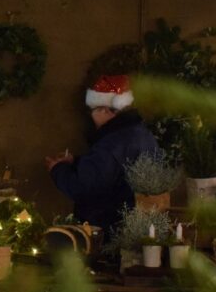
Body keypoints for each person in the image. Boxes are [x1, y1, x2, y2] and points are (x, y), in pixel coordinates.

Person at [46, 75, 158, 237]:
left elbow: (84, 187)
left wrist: (58, 169)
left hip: (109, 231)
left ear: (104, 110)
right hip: (136, 227)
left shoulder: (111, 143)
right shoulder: (142, 134)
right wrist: (77, 161)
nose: (91, 117)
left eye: (92, 111)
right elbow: (114, 171)